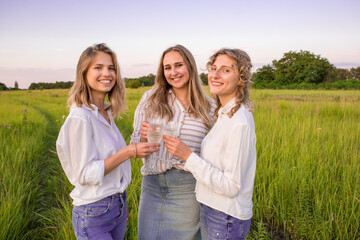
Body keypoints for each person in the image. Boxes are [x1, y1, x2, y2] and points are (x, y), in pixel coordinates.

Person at [56, 43, 159, 240]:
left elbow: (113, 166)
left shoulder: (105, 113)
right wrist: (129, 152)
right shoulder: (80, 117)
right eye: (98, 67)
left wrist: (121, 203)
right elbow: (85, 174)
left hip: (117, 207)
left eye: (111, 68)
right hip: (93, 213)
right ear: (84, 73)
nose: (107, 73)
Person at [163, 48, 256, 240]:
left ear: (241, 79)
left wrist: (188, 156)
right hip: (212, 209)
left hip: (225, 218)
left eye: (225, 70)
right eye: (213, 68)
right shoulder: (224, 114)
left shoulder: (239, 122)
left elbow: (231, 186)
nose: (215, 75)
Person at [131, 44, 215, 239]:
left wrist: (189, 154)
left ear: (190, 67)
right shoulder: (150, 99)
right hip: (152, 185)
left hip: (188, 187)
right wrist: (143, 138)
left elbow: (222, 146)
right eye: (167, 67)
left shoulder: (208, 106)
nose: (173, 72)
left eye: (179, 65)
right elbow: (135, 147)